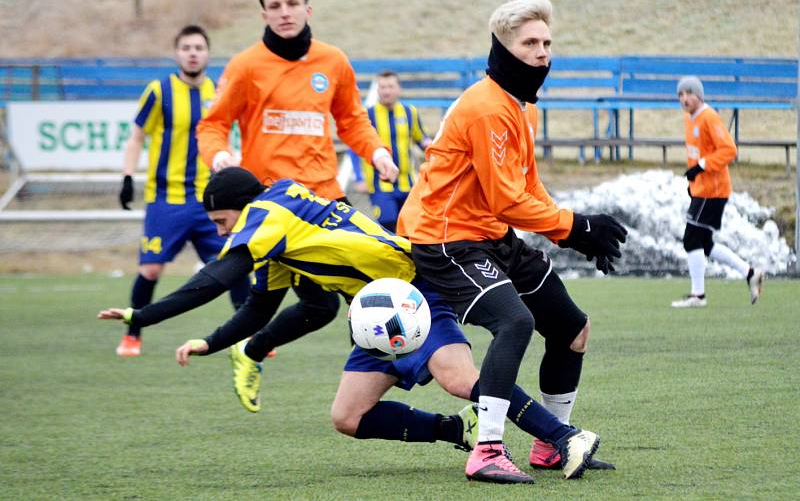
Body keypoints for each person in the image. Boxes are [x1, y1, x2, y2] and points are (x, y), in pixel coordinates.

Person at [98, 167, 608, 483]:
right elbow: (258, 308)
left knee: (458, 377)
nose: (218, 229)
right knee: (348, 416)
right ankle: (462, 430)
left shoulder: (265, 213)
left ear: (236, 206)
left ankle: (563, 436)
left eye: (218, 219)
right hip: (373, 310)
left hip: (412, 288)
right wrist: (210, 342)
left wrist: (142, 316)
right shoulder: (280, 223)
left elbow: (218, 275)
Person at [396, 0, 627, 483]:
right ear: (503, 47)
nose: (543, 52)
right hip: (446, 239)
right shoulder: (486, 108)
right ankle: (486, 450)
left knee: (571, 329)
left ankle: (552, 446)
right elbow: (506, 199)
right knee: (515, 322)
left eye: (547, 42)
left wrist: (572, 233)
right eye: (530, 43)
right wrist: (575, 224)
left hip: (491, 235)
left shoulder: (521, 108)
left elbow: (527, 188)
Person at [194, 0, 399, 374]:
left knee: (373, 283)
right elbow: (212, 124)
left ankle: (378, 370)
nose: (284, 12)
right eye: (275, 6)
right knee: (319, 305)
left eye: (291, 4)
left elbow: (352, 120)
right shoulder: (246, 66)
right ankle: (255, 349)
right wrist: (218, 156)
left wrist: (376, 151)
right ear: (264, 14)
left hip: (324, 199)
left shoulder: (333, 61)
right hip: (273, 208)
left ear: (307, 8)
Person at [115, 24, 250, 357]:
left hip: (211, 200)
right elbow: (136, 137)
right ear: (177, 53)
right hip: (167, 199)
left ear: (207, 53)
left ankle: (249, 334)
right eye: (187, 47)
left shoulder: (219, 92)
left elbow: (230, 135)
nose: (193, 53)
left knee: (233, 263)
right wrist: (128, 176)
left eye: (199, 47)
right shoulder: (159, 90)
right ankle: (133, 334)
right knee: (151, 269)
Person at [670, 76, 765, 308]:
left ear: (699, 95)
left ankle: (698, 296)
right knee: (705, 243)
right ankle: (750, 273)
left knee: (691, 239)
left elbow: (729, 150)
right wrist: (693, 181)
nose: (684, 99)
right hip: (702, 189)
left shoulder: (709, 117)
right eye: (680, 95)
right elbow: (698, 154)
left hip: (713, 190)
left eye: (689, 93)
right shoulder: (689, 118)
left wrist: (701, 167)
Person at [348, 70, 431, 232]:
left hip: (408, 183)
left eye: (390, 87)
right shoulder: (368, 114)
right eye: (382, 87)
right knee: (388, 221)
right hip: (380, 184)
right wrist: (359, 177)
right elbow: (354, 148)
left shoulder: (410, 112)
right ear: (377, 90)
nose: (386, 91)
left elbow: (421, 139)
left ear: (399, 89)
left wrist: (436, 152)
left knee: (412, 226)